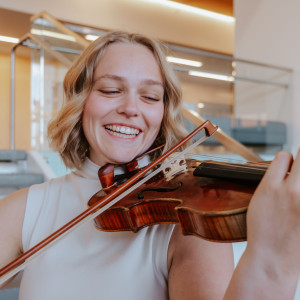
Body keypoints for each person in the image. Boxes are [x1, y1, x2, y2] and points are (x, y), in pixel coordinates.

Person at [0, 31, 300, 300]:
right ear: (80, 101)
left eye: (150, 96)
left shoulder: (186, 224)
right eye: (110, 90)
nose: (131, 108)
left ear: (162, 113)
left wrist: (271, 260)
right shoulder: (25, 209)